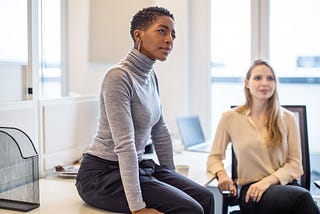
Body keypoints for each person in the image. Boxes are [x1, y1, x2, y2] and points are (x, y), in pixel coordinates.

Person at [76, 6, 214, 214]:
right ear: (138, 34)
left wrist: (172, 178)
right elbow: (125, 144)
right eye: (162, 31)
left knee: (206, 197)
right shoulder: (118, 77)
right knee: (191, 210)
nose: (170, 40)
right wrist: (138, 208)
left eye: (173, 35)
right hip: (102, 176)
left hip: (137, 167)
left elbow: (160, 132)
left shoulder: (150, 77)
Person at [207, 59, 320, 214]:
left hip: (287, 187)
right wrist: (222, 175)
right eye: (258, 78)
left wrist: (267, 182)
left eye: (270, 78)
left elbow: (295, 164)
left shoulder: (287, 118)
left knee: (300, 198)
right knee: (303, 199)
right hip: (252, 192)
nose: (265, 83)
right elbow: (214, 157)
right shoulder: (230, 117)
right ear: (247, 83)